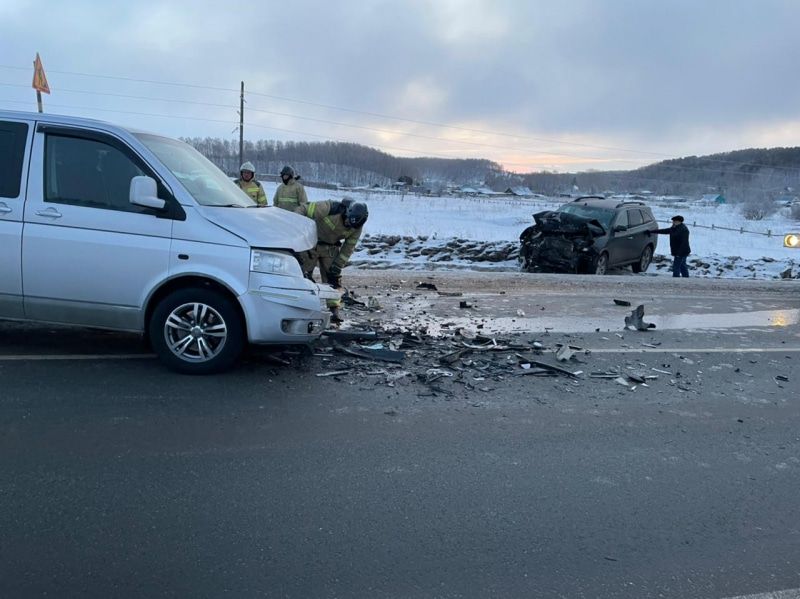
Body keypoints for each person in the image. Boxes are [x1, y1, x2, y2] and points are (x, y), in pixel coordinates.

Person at [300, 198, 368, 323]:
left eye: (351, 224)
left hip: (331, 248)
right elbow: (304, 209)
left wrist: (338, 265)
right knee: (304, 276)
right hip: (311, 243)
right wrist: (292, 222)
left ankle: (334, 311)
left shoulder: (357, 226)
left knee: (333, 280)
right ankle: (304, 308)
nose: (348, 224)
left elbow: (348, 247)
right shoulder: (330, 207)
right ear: (347, 212)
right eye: (347, 220)